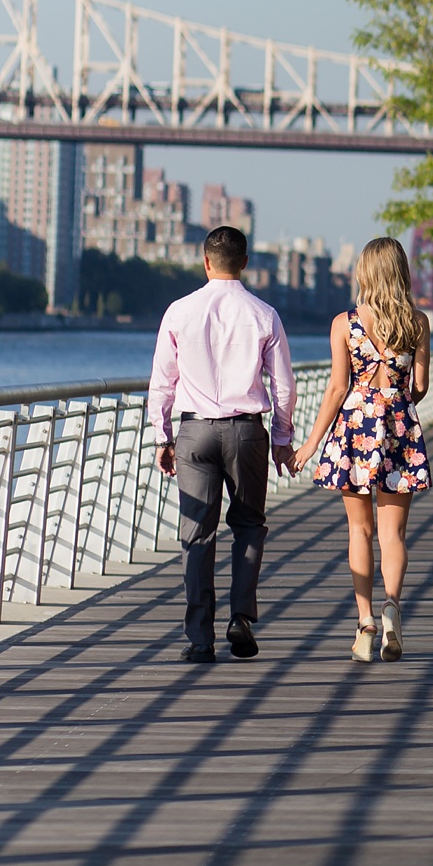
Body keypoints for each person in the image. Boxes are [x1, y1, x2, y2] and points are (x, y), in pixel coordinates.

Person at [148, 226, 296, 664]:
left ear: (206, 261)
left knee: (197, 535)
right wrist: (282, 439)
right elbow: (283, 386)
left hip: (194, 432)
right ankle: (241, 619)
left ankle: (199, 640)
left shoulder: (178, 312)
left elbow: (162, 382)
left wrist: (162, 435)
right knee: (249, 525)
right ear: (245, 263)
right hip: (247, 430)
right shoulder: (264, 314)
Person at [296, 237, 433, 664]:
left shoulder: (344, 323)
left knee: (360, 531)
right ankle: (393, 606)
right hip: (398, 427)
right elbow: (421, 387)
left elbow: (337, 388)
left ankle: (366, 623)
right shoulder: (418, 323)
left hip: (355, 429)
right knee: (393, 533)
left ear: (365, 273)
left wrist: (312, 442)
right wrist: (398, 401)